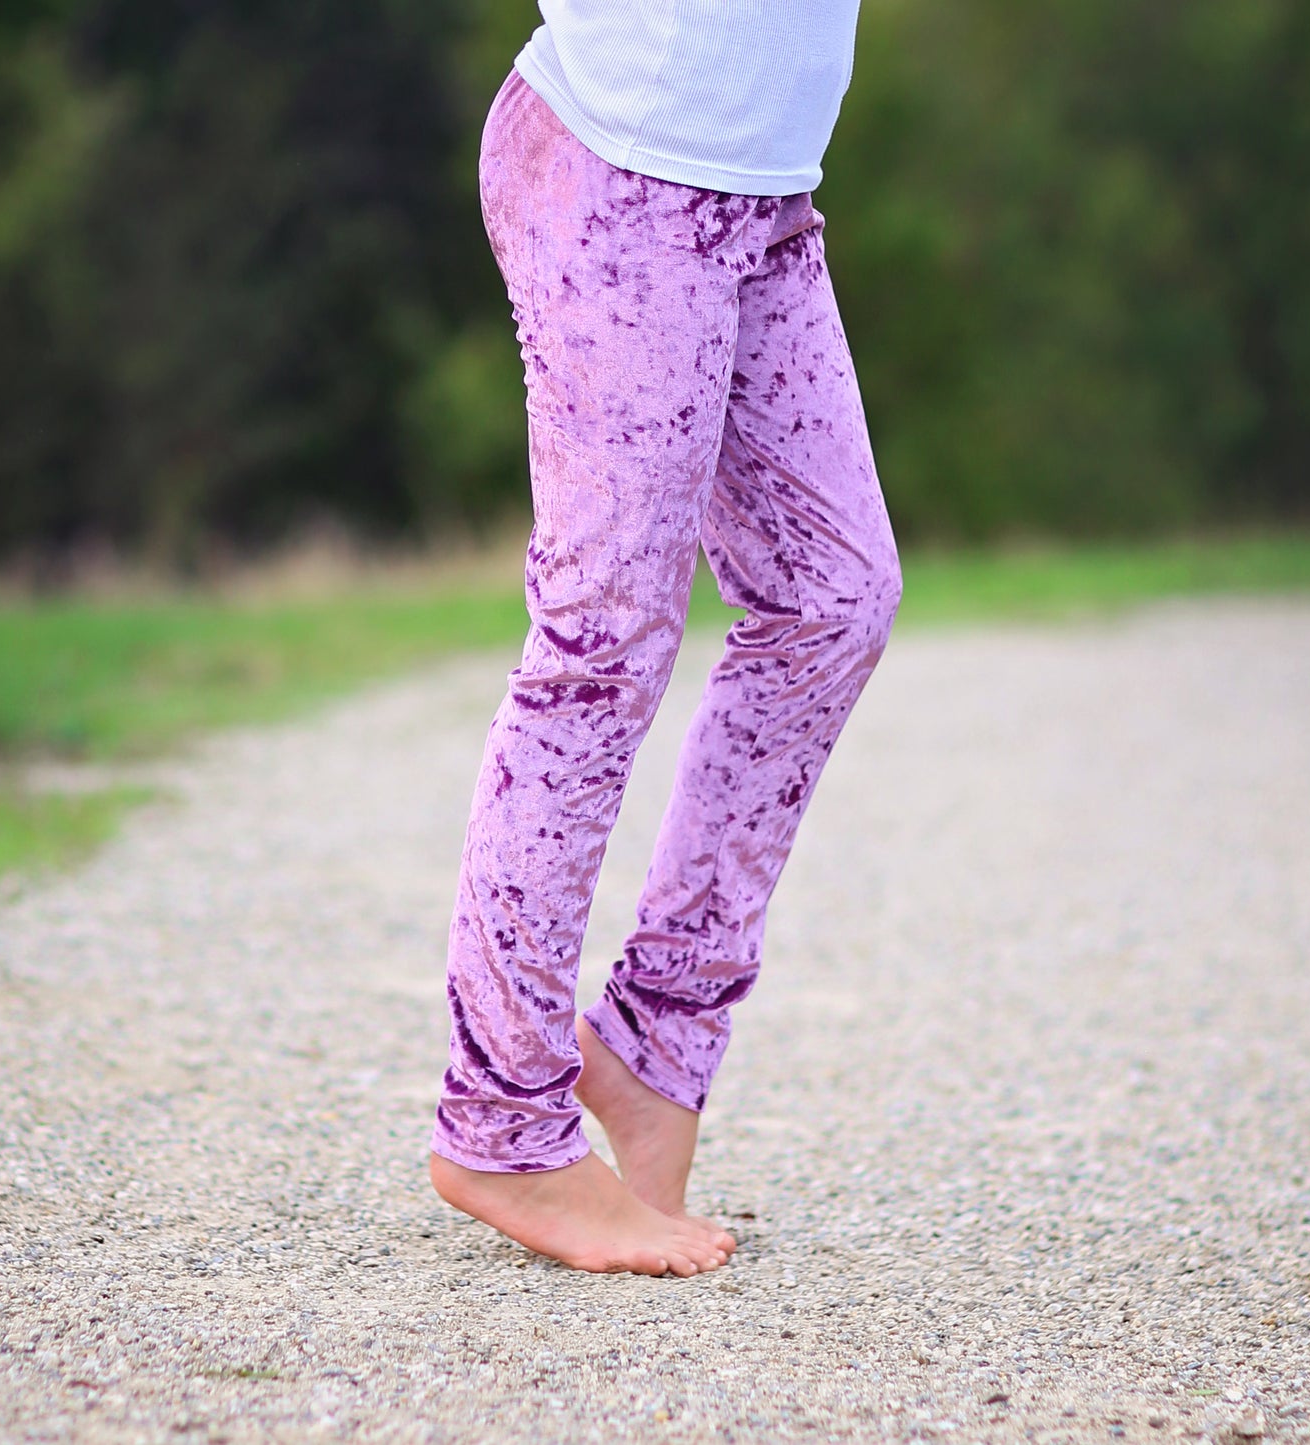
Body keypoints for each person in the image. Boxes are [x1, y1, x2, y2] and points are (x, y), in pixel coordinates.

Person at [429, 0, 901, 1277]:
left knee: (833, 596)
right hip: (622, 171)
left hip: (760, 193)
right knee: (601, 645)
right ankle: (502, 1122)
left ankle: (649, 1050)